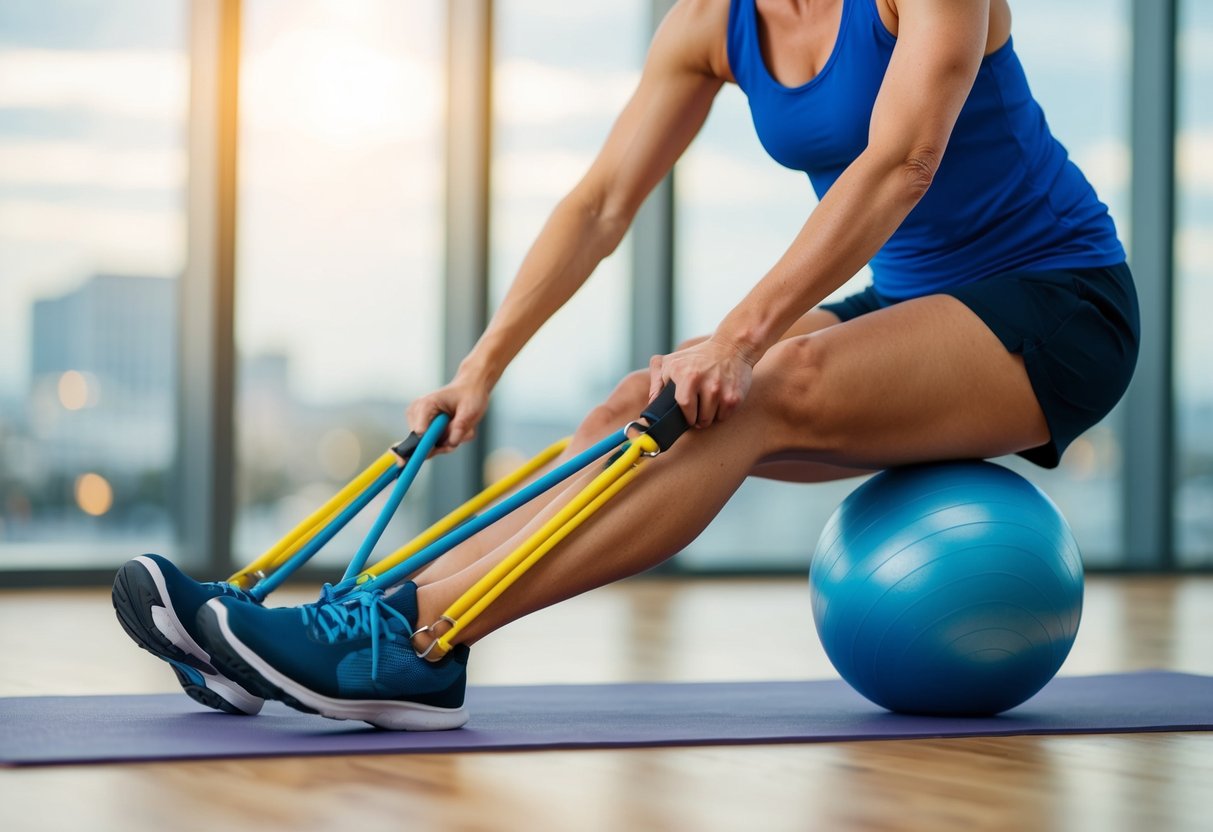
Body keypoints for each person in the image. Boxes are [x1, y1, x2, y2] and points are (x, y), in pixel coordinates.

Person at [122, 0, 1141, 728]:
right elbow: (601, 202)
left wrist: (741, 334)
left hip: (1057, 303)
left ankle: (415, 639)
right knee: (631, 405)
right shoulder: (713, 21)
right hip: (915, 301)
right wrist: (482, 364)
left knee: (748, 395)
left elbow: (902, 160)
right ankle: (356, 625)